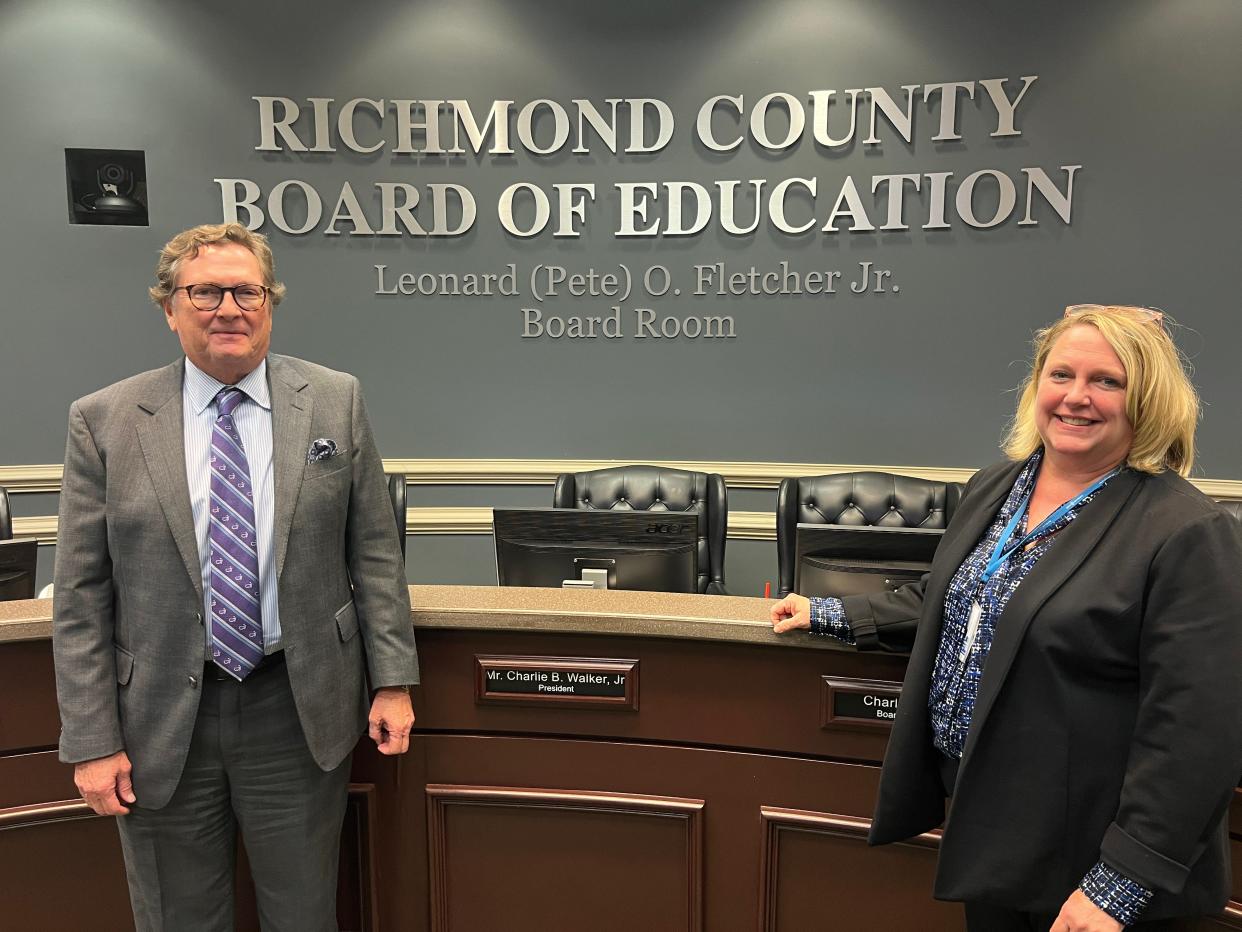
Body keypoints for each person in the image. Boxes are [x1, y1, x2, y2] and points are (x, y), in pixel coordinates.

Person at [771, 305, 1242, 931]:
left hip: (1092, 856)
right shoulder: (996, 487)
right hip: (992, 819)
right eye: (1061, 374)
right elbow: (959, 598)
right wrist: (830, 612)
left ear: (1148, 400)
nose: (1076, 397)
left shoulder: (1187, 530)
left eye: (1108, 381)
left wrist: (1120, 885)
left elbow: (1197, 731)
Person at [52, 222, 420, 931]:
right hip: (159, 721)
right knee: (178, 918)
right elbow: (80, 595)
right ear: (169, 307)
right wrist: (92, 740)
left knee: (303, 913)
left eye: (246, 290)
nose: (229, 308)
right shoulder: (105, 421)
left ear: (270, 303)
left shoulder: (334, 399)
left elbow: (374, 550)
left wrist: (394, 680)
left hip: (296, 706)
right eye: (206, 291)